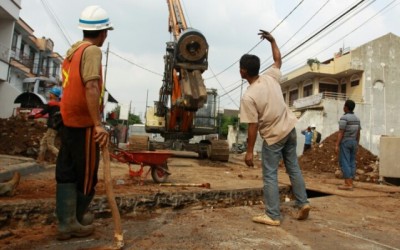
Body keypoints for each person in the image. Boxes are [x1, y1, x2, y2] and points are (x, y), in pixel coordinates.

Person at [239, 30, 310, 226]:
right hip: (290, 128)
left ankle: (272, 215)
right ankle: (302, 203)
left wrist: (249, 152)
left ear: (243, 71)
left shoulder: (249, 96)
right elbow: (278, 59)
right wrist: (273, 41)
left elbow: (253, 126)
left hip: (274, 136)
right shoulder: (270, 76)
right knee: (293, 167)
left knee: (270, 174)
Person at [55, 5, 112, 240]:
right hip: (83, 123)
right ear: (103, 32)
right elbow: (91, 86)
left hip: (67, 119)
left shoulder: (72, 51)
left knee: (67, 168)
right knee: (87, 173)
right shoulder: (92, 52)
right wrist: (98, 124)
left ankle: (66, 221)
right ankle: (75, 219)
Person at [29, 86, 61, 164]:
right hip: (56, 126)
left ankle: (61, 158)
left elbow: (41, 113)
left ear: (53, 95)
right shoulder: (60, 104)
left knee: (50, 144)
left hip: (52, 127)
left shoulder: (51, 103)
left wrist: (32, 116)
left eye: (51, 93)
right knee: (43, 142)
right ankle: (40, 159)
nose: (49, 94)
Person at [335, 100, 361, 191]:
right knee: (352, 161)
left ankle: (348, 184)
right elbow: (358, 133)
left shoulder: (344, 118)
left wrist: (337, 144)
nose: (343, 107)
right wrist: (357, 143)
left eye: (344, 106)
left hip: (346, 142)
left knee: (344, 162)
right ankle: (350, 182)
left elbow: (341, 132)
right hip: (354, 142)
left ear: (346, 107)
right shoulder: (357, 119)